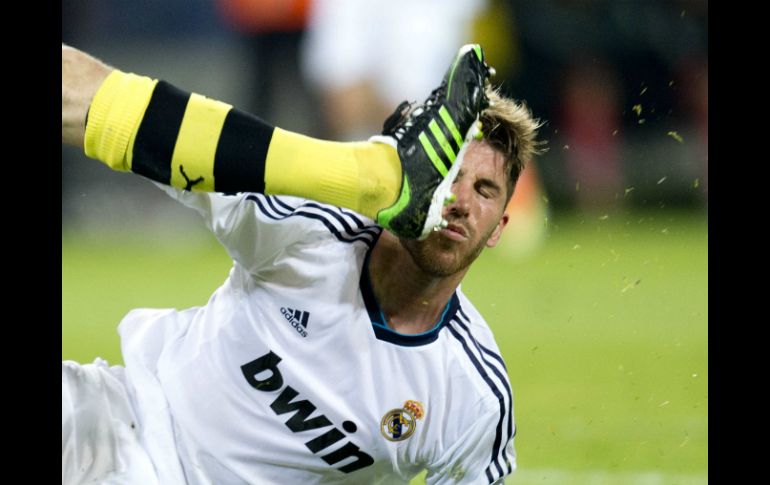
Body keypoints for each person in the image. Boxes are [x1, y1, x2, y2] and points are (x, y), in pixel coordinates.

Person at [61, 41, 543, 484]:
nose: (460, 202)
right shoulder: (312, 229)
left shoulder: (473, 397)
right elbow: (159, 140)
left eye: (484, 191)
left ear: (499, 227)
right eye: (449, 176)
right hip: (110, 417)